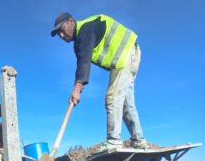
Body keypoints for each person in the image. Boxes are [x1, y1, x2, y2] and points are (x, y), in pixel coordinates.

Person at [51, 12, 148, 150]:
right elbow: (81, 67)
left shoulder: (85, 29)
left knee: (112, 98)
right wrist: (77, 88)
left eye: (62, 29)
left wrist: (76, 90)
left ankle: (114, 141)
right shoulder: (79, 42)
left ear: (71, 21)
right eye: (58, 34)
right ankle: (139, 140)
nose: (61, 35)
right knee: (126, 103)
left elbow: (85, 62)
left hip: (125, 55)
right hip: (129, 55)